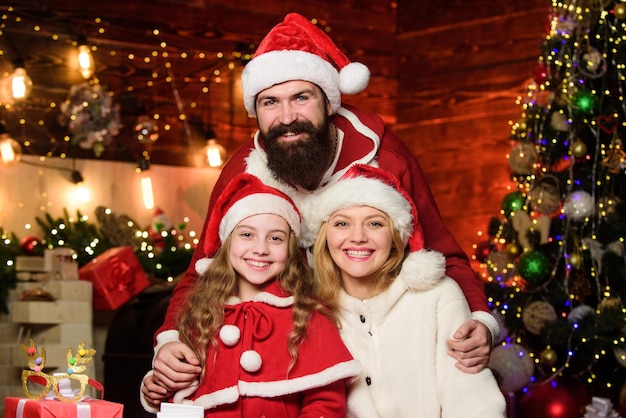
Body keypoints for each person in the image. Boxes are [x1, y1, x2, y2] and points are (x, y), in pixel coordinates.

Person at [149, 12, 500, 396]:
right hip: (289, 348)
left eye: (301, 98)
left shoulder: (386, 156)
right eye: (270, 102)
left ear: (327, 101)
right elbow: (204, 268)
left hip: (382, 347)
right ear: (256, 110)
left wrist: (481, 323)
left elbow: (443, 253)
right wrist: (169, 342)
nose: (286, 117)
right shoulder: (243, 170)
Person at [140, 173, 362, 416]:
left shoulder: (309, 316)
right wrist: (158, 388)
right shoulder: (200, 314)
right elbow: (179, 390)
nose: (260, 248)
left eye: (275, 238)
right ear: (227, 243)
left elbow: (326, 404)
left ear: (290, 249)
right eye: (247, 234)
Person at [304, 164, 506, 417]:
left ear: (396, 237)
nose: (358, 237)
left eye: (375, 224)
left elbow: (474, 403)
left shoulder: (438, 296)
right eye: (342, 223)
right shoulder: (311, 310)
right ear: (324, 236)